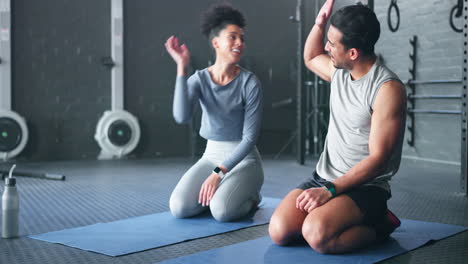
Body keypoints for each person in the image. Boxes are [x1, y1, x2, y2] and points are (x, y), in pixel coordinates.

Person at [269, 0, 406, 254]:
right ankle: (336, 214)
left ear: (352, 53)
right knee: (279, 231)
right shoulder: (340, 72)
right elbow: (310, 57)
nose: (326, 47)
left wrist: (330, 191)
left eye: (332, 43)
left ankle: (380, 223)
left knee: (317, 236)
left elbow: (378, 160)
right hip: (325, 177)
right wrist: (320, 24)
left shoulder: (387, 89)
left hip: (365, 187)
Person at [164, 3, 264, 222]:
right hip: (210, 156)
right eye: (233, 37)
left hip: (244, 160)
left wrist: (219, 173)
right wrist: (182, 66)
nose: (240, 43)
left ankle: (252, 196)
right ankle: (226, 194)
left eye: (242, 38)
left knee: (222, 212)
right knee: (179, 207)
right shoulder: (198, 80)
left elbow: (249, 139)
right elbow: (181, 117)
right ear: (216, 42)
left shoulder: (250, 83)